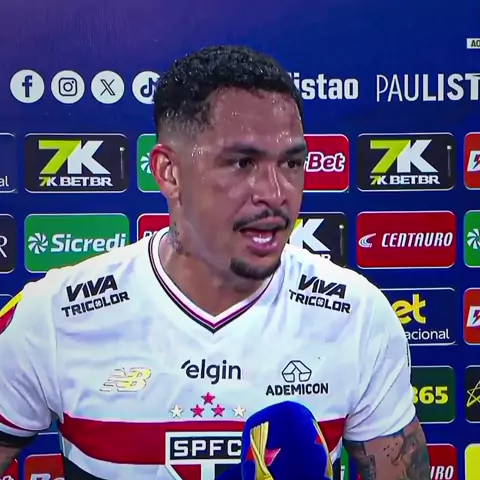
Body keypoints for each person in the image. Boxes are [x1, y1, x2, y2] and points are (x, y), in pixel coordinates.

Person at [0, 45, 429, 480]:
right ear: (168, 173)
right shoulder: (54, 314)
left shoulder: (356, 314)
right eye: (242, 163)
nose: (275, 192)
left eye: (291, 163)